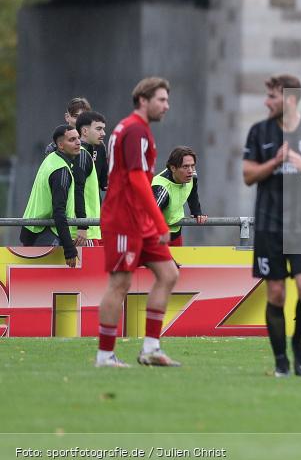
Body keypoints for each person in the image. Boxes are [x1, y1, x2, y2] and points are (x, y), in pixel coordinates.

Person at [243, 74, 301, 377]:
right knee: (276, 295)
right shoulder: (259, 132)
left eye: (271, 96)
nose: (266, 101)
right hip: (269, 226)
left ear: (289, 99)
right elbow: (248, 175)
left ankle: (298, 340)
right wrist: (274, 162)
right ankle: (281, 361)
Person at [96, 77, 182, 368]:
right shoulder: (135, 130)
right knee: (120, 282)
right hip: (124, 218)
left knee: (169, 273)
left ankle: (151, 349)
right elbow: (135, 180)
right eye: (161, 100)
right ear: (143, 100)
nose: (166, 106)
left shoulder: (138, 129)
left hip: (139, 219)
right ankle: (105, 355)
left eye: (167, 100)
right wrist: (160, 223)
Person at [20, 125, 81, 267]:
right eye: (72, 139)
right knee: (40, 284)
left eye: (78, 138)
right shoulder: (61, 171)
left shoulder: (51, 159)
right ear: (60, 145)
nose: (78, 142)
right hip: (47, 233)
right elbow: (59, 213)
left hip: (33, 230)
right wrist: (69, 249)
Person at [151, 146, 207, 246]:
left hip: (176, 233)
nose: (190, 170)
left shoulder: (192, 175)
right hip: (157, 238)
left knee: (178, 261)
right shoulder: (161, 188)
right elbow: (149, 219)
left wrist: (197, 212)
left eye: (192, 165)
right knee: (170, 262)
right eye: (185, 166)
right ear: (173, 168)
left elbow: (192, 194)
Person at [74, 111, 107, 246]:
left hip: (94, 226)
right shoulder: (80, 154)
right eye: (99, 129)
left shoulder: (96, 150)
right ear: (85, 131)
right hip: (84, 229)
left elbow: (104, 183)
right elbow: (77, 190)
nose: (103, 133)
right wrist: (82, 225)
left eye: (103, 129)